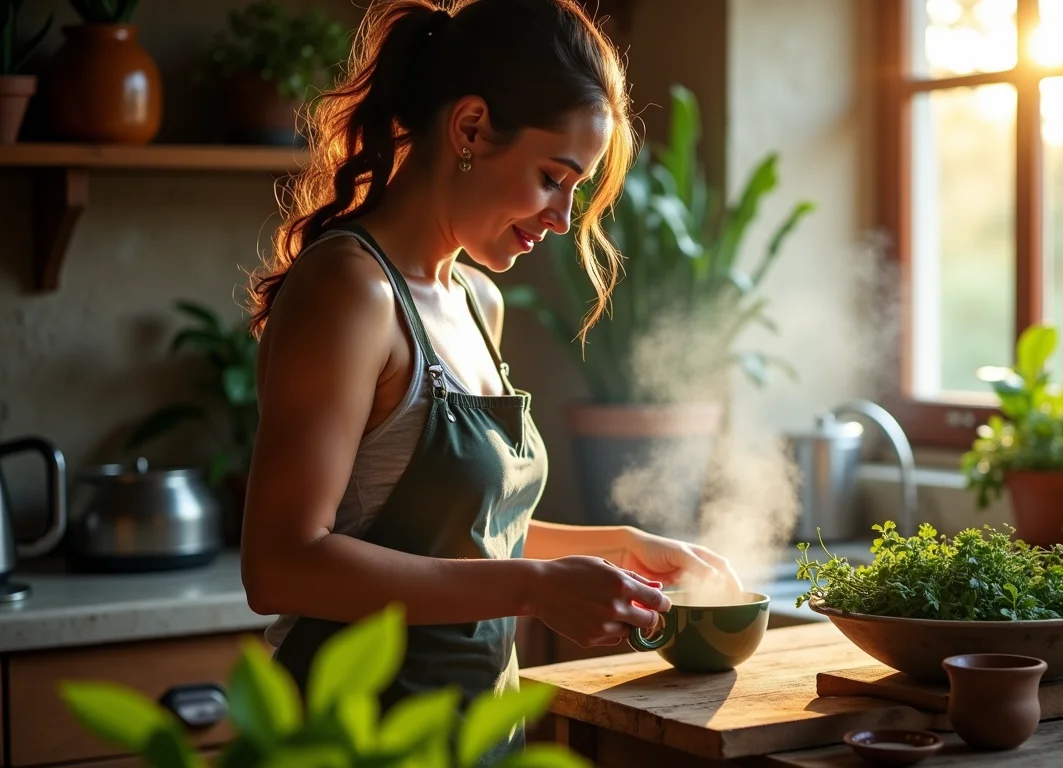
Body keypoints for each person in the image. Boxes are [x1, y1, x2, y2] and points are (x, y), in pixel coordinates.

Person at [238, 0, 741, 761]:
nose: (564, 218)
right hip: (353, 739)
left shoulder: (478, 299)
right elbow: (281, 565)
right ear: (471, 128)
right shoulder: (351, 290)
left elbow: (463, 536)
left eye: (575, 189)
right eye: (552, 177)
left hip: (479, 736)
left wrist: (620, 549)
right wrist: (535, 588)